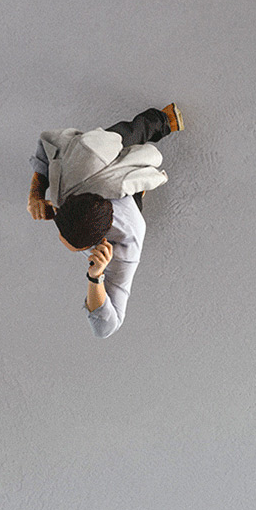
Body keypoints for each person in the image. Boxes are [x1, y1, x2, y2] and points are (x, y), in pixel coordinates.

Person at [26, 104, 183, 337]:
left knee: (127, 136)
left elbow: (106, 327)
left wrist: (96, 276)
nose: (62, 242)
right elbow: (46, 142)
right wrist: (35, 194)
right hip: (91, 168)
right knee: (105, 141)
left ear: (99, 241)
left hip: (119, 188)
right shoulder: (74, 173)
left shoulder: (126, 247)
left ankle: (162, 120)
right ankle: (138, 142)